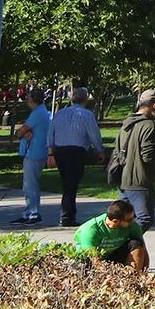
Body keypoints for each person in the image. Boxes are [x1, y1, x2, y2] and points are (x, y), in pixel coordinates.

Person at [49, 86, 104, 227]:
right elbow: (94, 134)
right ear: (85, 99)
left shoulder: (59, 113)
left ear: (72, 98)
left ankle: (67, 214)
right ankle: (67, 216)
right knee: (71, 184)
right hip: (76, 151)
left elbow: (51, 134)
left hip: (60, 150)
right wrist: (99, 150)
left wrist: (51, 151)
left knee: (67, 183)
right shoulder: (87, 115)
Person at [116, 90, 155, 228]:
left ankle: (123, 247)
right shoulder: (149, 126)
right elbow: (148, 157)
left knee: (124, 221)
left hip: (123, 180)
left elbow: (117, 150)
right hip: (140, 181)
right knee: (144, 219)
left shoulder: (126, 124)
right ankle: (123, 245)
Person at [74, 199, 150, 271]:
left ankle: (134, 277)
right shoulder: (91, 230)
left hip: (111, 256)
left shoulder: (132, 225)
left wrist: (145, 264)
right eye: (129, 220)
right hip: (88, 261)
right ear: (115, 221)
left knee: (136, 243)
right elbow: (92, 258)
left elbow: (142, 246)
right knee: (87, 264)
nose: (132, 221)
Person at [15, 91, 53, 225]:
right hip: (35, 152)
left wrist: (21, 133)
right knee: (28, 185)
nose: (27, 100)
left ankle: (33, 213)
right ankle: (28, 212)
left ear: (34, 100)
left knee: (30, 185)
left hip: (34, 153)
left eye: (28, 98)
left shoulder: (37, 113)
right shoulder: (42, 112)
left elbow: (21, 131)